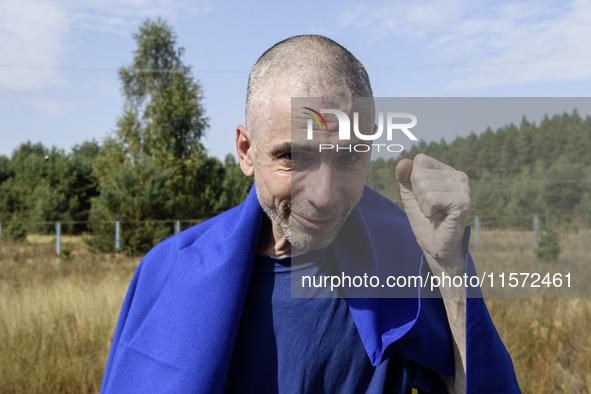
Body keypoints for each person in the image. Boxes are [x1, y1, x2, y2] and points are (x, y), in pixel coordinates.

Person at [101, 35, 520, 393]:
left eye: (349, 156)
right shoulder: (169, 270)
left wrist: (448, 266)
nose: (323, 195)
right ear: (247, 152)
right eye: (293, 157)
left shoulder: (407, 257)